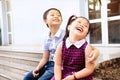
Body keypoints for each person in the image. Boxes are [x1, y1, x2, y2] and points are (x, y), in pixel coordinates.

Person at [23, 8, 99, 80]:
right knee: (27, 77)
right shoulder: (49, 39)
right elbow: (45, 58)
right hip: (52, 65)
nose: (56, 16)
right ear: (45, 20)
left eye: (58, 15)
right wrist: (37, 68)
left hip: (64, 69)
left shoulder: (66, 34)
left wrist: (96, 51)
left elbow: (85, 47)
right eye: (52, 15)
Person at [52, 15, 99, 80]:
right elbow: (57, 65)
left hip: (80, 76)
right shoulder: (61, 45)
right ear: (69, 27)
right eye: (79, 22)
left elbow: (89, 69)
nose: (82, 25)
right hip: (65, 74)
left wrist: (74, 76)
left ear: (86, 35)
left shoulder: (86, 48)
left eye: (85, 26)